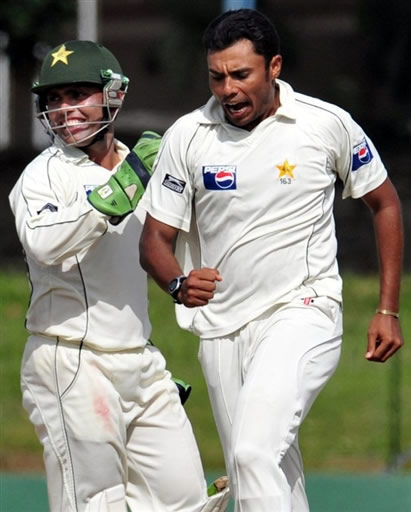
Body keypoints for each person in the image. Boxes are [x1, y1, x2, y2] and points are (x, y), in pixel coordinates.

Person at [138, 9, 405, 512]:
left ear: (274, 67)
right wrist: (177, 283)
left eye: (242, 75)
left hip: (303, 309)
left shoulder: (325, 124)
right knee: (267, 472)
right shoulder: (187, 135)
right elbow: (154, 238)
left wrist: (387, 308)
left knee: (252, 452)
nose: (228, 89)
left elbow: (385, 202)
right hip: (220, 330)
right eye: (217, 76)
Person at [8, 40, 230, 512]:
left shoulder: (145, 164)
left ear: (114, 94)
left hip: (140, 361)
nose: (64, 110)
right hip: (71, 361)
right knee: (95, 504)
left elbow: (168, 247)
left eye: (76, 95)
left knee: (184, 499)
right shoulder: (42, 175)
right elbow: (45, 244)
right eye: (53, 99)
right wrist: (120, 191)